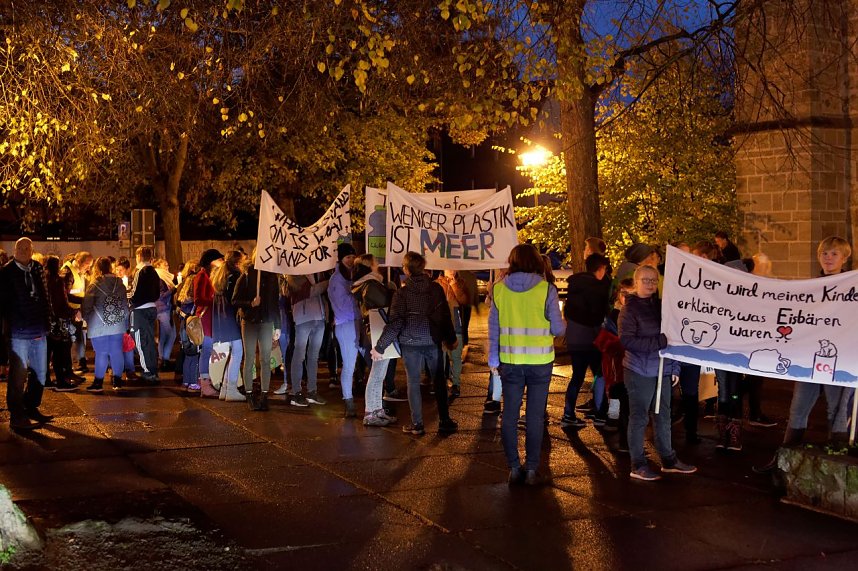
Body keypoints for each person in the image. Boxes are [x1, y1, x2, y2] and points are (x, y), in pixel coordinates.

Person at [756, 237, 853, 473]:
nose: (828, 258)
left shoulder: (852, 287)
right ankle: (785, 459)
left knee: (836, 409)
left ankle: (835, 462)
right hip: (809, 359)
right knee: (798, 409)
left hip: (838, 360)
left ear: (844, 258)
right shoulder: (810, 288)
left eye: (834, 254)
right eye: (824, 254)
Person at [487, 244, 565, 485]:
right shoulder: (546, 290)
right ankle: (532, 469)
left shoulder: (498, 289)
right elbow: (557, 329)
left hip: (510, 361)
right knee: (534, 416)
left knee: (509, 414)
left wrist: (493, 359)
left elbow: (493, 328)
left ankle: (513, 467)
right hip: (540, 361)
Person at [619, 265, 696, 481]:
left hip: (662, 369)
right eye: (646, 280)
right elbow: (627, 340)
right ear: (636, 282)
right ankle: (638, 464)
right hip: (639, 371)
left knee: (664, 416)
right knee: (639, 417)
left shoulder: (662, 307)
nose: (651, 284)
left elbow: (672, 338)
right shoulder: (630, 310)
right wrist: (657, 342)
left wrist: (673, 367)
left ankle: (668, 459)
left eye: (654, 280)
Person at [372, 251, 458, 436]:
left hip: (411, 342)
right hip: (432, 340)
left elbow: (396, 322)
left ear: (406, 269)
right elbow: (444, 316)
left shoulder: (402, 293)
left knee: (413, 382)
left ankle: (417, 424)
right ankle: (444, 420)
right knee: (439, 380)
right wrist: (450, 338)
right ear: (423, 267)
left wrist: (380, 346)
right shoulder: (435, 289)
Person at [0, 238, 53, 431]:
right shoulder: (6, 272)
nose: (23, 250)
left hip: (39, 329)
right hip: (19, 332)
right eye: (19, 248)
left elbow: (45, 296)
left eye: (27, 248)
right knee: (18, 376)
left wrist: (48, 321)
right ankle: (16, 415)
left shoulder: (37, 268)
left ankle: (31, 407)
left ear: (32, 250)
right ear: (14, 250)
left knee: (40, 372)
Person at [561, 253, 611, 429]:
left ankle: (568, 414)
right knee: (600, 375)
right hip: (592, 339)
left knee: (577, 376)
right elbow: (598, 316)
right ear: (601, 269)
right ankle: (600, 413)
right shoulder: (597, 288)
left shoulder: (575, 285)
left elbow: (568, 312)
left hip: (575, 338)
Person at [232, 248, 281, 411]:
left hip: (266, 322)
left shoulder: (272, 276)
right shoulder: (247, 275)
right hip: (250, 321)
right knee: (250, 358)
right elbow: (235, 299)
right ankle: (250, 393)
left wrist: (278, 325)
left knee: (266, 359)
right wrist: (250, 303)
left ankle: (265, 394)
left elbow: (275, 303)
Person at [351, 254, 397, 426]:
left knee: (380, 372)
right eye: (375, 262)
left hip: (377, 330)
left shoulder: (369, 283)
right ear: (369, 265)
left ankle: (377, 409)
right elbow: (385, 302)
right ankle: (371, 412)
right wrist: (392, 291)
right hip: (378, 331)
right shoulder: (370, 285)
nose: (378, 264)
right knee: (377, 373)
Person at [81, 257, 129, 393]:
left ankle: (98, 382)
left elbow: (87, 305)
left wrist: (88, 318)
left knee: (101, 353)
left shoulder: (94, 284)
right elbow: (125, 305)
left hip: (99, 323)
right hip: (117, 324)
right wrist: (123, 321)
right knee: (116, 352)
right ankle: (117, 381)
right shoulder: (120, 283)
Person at [285, 270, 329, 407]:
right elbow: (309, 291)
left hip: (319, 317)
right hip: (303, 318)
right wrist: (328, 282)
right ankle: (296, 392)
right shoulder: (293, 273)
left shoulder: (319, 271)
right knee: (299, 356)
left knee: (313, 356)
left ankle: (312, 391)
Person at [328, 243, 362, 417]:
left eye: (352, 256)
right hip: (346, 324)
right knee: (349, 365)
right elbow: (342, 305)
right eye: (347, 257)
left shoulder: (352, 275)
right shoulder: (336, 279)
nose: (350, 260)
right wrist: (357, 295)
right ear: (341, 258)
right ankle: (348, 402)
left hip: (357, 322)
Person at [210, 251, 245, 402]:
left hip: (222, 317)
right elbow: (234, 299)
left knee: (234, 352)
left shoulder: (221, 276)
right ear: (237, 263)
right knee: (238, 351)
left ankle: (226, 388)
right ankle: (230, 388)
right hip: (230, 318)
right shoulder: (235, 276)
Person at [44, 256, 79, 392]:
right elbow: (61, 302)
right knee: (60, 351)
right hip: (58, 321)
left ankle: (46, 380)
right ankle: (60, 380)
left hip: (46, 320)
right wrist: (73, 311)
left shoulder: (44, 280)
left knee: (47, 352)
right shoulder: (58, 281)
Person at [193, 249, 224, 397]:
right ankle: (205, 384)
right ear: (211, 261)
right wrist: (215, 301)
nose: (221, 262)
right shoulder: (201, 276)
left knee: (209, 351)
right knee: (206, 351)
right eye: (218, 259)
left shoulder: (210, 275)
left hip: (211, 318)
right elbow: (198, 299)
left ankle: (207, 382)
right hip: (205, 318)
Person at [129, 246, 161, 384]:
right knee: (149, 340)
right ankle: (153, 369)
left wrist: (125, 294)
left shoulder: (140, 271)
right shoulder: (154, 272)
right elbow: (157, 292)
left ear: (139, 256)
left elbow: (134, 293)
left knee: (140, 342)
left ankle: (148, 371)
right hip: (152, 308)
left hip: (140, 310)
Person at [436, 270, 469, 400]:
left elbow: (463, 300)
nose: (451, 269)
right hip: (442, 324)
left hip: (456, 324)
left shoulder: (460, 282)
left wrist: (454, 284)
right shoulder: (437, 283)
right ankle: (443, 380)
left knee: (456, 356)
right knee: (442, 356)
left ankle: (456, 383)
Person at [62, 251, 93, 374]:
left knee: (79, 338)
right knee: (70, 340)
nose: (88, 267)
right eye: (87, 264)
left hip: (77, 310)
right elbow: (66, 295)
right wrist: (85, 301)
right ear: (79, 261)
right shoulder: (68, 271)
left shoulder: (79, 272)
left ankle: (81, 363)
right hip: (70, 311)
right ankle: (70, 367)